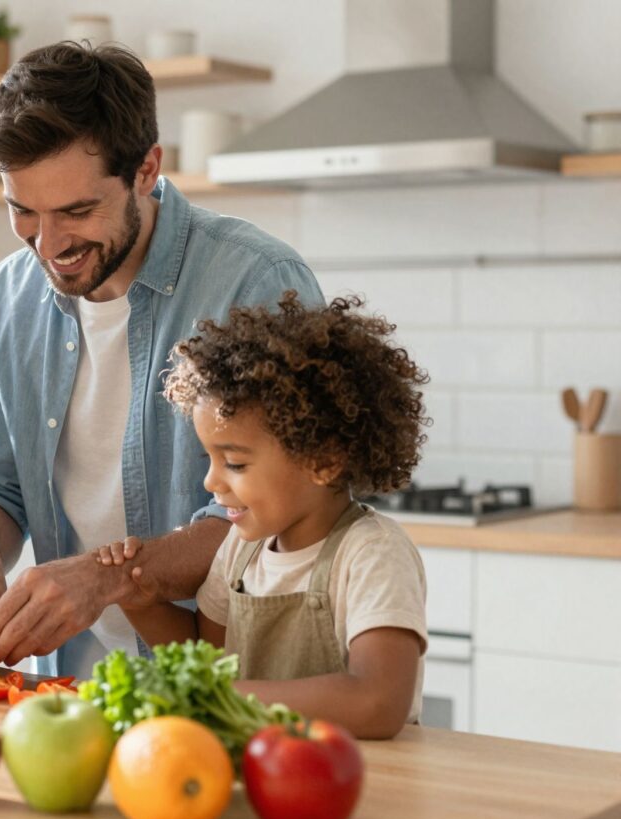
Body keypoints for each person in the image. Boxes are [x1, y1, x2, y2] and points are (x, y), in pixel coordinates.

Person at [0, 42, 324, 678]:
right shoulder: (8, 298)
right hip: (74, 683)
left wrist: (107, 578)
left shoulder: (255, 282)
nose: (48, 245)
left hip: (233, 685)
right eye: (22, 211)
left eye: (77, 211)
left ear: (146, 169)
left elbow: (281, 513)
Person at [97, 293, 429, 738]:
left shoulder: (372, 553)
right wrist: (142, 603)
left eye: (234, 463)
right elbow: (211, 662)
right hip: (268, 768)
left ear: (323, 461)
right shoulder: (241, 549)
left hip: (363, 773)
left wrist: (220, 698)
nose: (210, 482)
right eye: (209, 459)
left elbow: (377, 703)